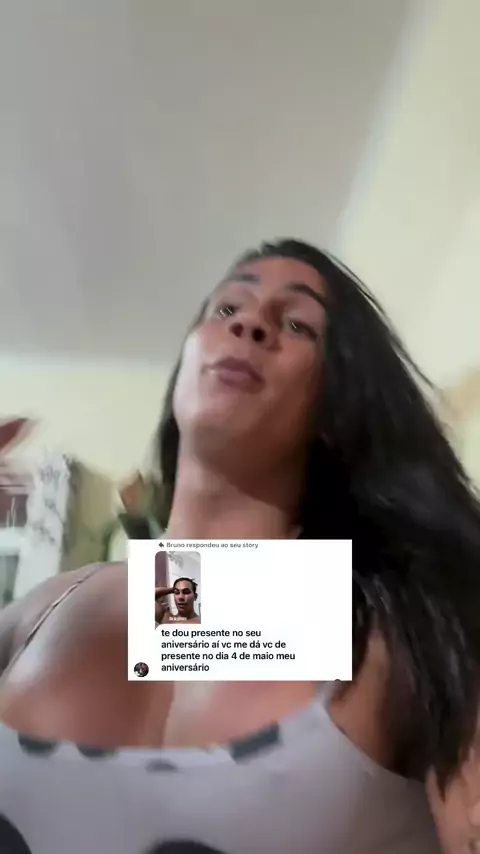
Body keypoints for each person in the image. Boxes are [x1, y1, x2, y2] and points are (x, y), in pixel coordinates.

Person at [0, 239, 478, 853]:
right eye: (227, 308)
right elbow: (182, 597)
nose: (250, 323)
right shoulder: (50, 606)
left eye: (298, 324)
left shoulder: (402, 630)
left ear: (338, 410)